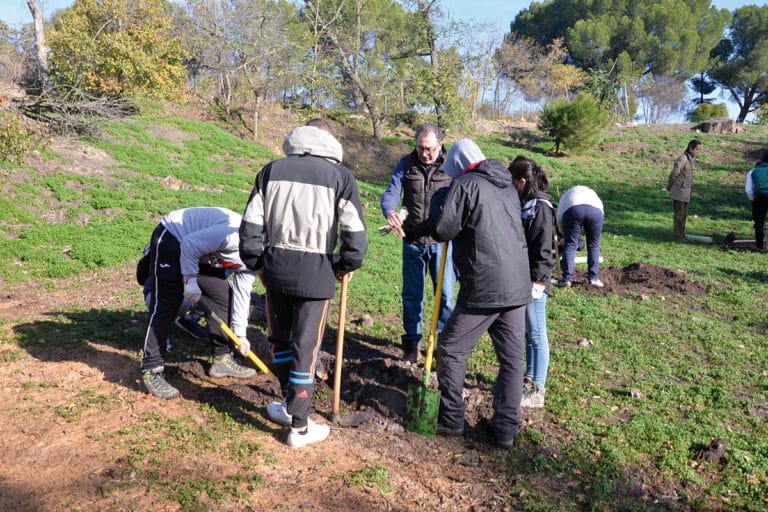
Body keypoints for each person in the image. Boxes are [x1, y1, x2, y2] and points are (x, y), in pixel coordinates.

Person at [240, 118, 368, 448]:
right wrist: (341, 265)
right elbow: (355, 238)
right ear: (329, 140)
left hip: (275, 270)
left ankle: (289, 404)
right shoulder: (341, 177)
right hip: (316, 273)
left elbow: (250, 226)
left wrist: (258, 264)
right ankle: (298, 426)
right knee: (305, 349)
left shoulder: (271, 171)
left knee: (280, 340)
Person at [429, 139, 531, 448]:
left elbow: (443, 230)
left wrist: (440, 203)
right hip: (518, 286)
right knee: (512, 359)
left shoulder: (465, 185)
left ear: (458, 167)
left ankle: (450, 419)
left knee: (451, 347)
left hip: (486, 285)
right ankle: (505, 431)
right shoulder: (507, 186)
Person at [140, 207, 258, 399]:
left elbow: (241, 296)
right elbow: (190, 244)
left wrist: (240, 334)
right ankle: (151, 369)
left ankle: (222, 359)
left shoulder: (255, 265)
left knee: (224, 299)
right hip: (175, 237)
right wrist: (190, 281)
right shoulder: (235, 237)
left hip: (201, 254)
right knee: (167, 303)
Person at [380, 124, 456, 362]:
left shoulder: (451, 165)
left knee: (445, 296)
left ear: (440, 145)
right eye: (421, 148)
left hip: (441, 243)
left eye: (430, 149)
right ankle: (412, 344)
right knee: (412, 295)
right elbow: (392, 191)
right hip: (412, 240)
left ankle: (442, 345)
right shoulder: (406, 163)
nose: (425, 153)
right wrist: (390, 211)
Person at [509, 156, 555, 408]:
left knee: (537, 333)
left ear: (523, 182)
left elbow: (543, 248)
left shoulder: (539, 208)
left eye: (512, 182)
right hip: (525, 277)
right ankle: (529, 379)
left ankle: (538, 389)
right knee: (529, 331)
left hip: (535, 280)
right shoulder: (528, 205)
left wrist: (537, 283)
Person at [555, 186, 604, 288]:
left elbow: (559, 217)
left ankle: (567, 279)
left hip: (573, 209)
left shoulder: (566, 196)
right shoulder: (592, 193)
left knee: (570, 245)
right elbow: (598, 212)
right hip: (597, 212)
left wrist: (564, 234)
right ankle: (594, 278)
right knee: (594, 245)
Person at [667, 139, 702, 243]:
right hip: (679, 192)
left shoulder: (690, 159)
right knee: (679, 216)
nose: (697, 151)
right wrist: (669, 186)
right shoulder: (682, 159)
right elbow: (674, 174)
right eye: (696, 149)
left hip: (686, 193)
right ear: (690, 148)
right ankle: (678, 237)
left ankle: (682, 235)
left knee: (684, 215)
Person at [745, 150, 768, 252]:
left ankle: (759, 247)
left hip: (760, 197)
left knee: (759, 223)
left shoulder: (752, 171)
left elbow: (748, 190)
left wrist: (754, 199)